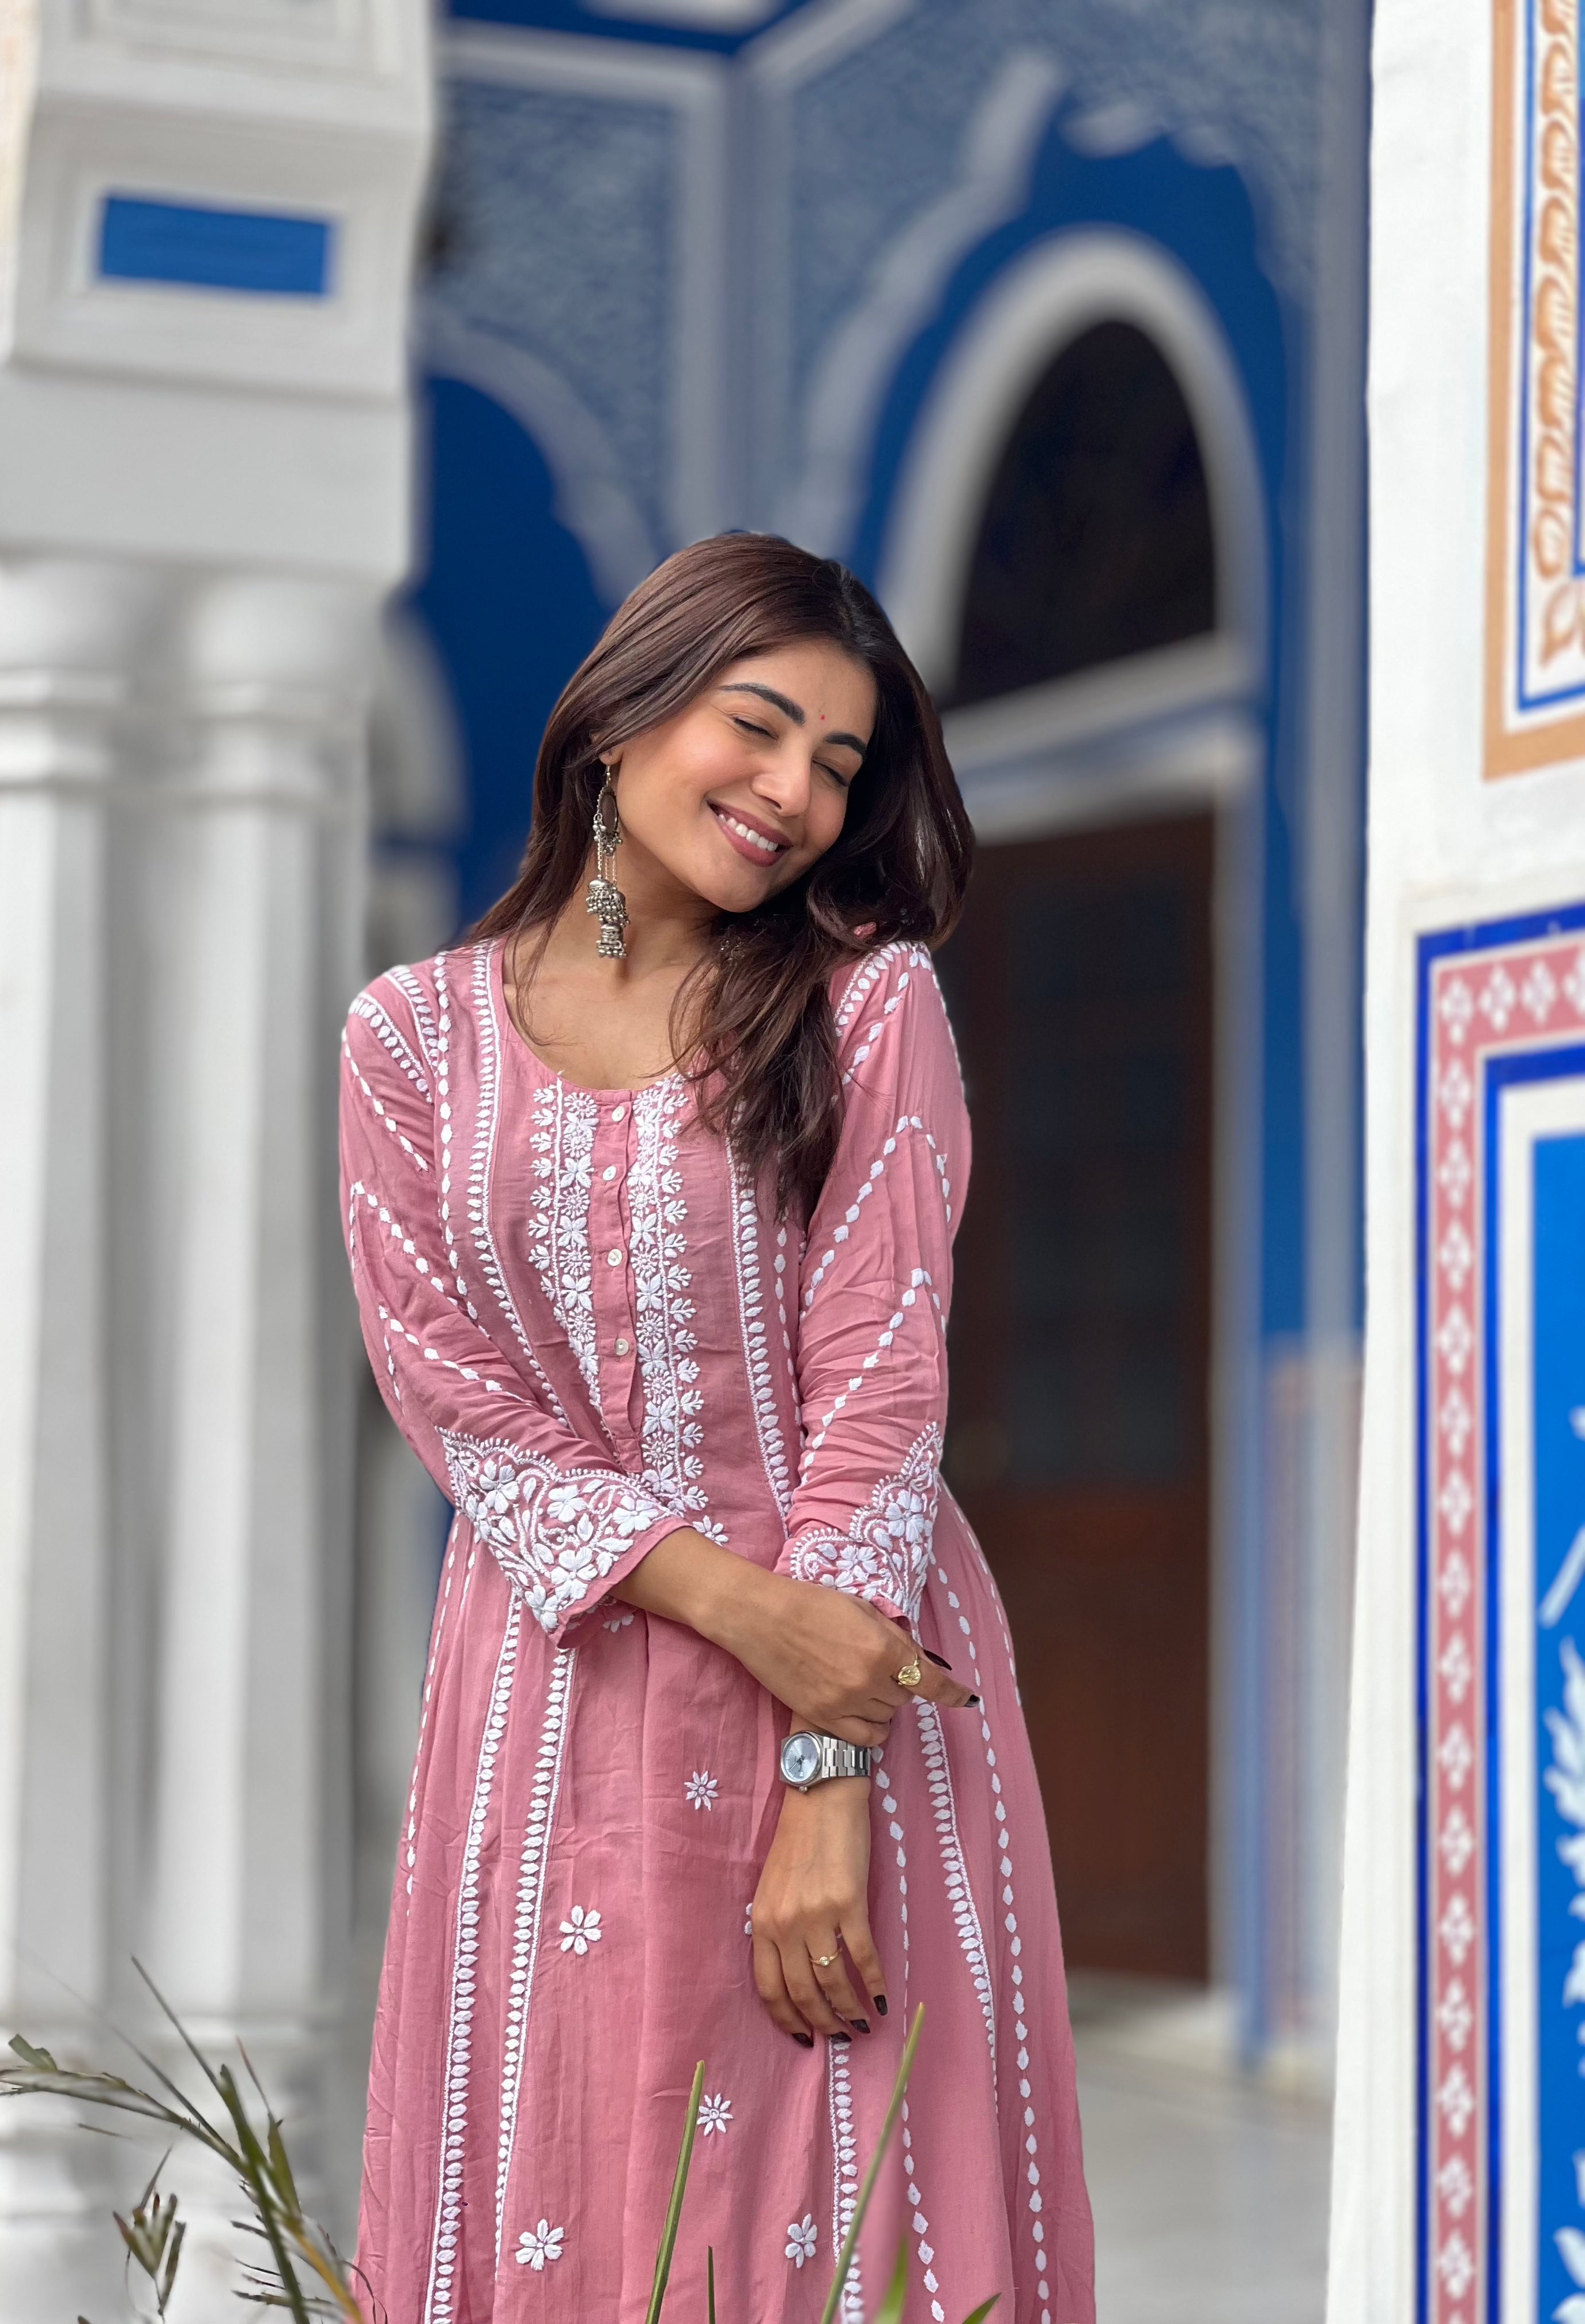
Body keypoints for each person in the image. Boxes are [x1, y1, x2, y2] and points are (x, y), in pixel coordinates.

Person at [340, 534, 1094, 2323]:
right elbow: (456, 1396)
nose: (794, 796)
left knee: (832, 2205)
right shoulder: (410, 1044)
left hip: (853, 1682)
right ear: (617, 721)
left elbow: (883, 1388)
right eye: (757, 729)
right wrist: (740, 1605)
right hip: (552, 1699)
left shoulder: (861, 1005)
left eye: (841, 764)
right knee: (563, 2181)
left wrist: (827, 1778)